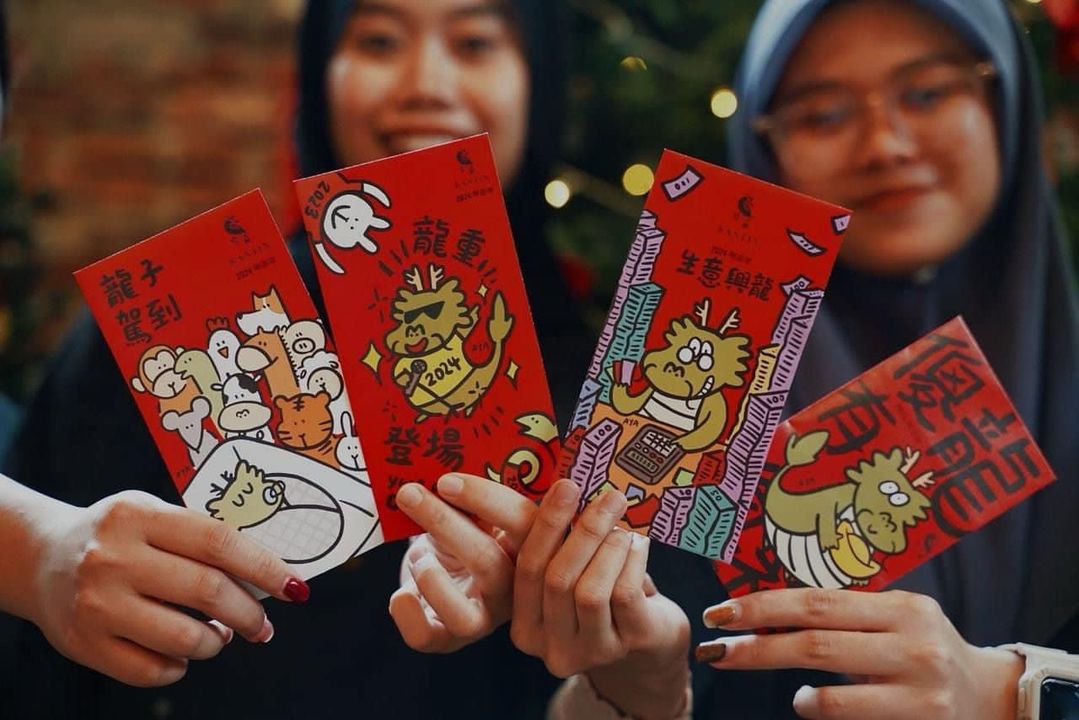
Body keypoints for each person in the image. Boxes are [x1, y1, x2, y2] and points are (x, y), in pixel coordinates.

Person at [390, 0, 1079, 718]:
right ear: (763, 143)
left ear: (1005, 104)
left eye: (929, 92)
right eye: (821, 113)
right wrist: (637, 685)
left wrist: (1023, 693)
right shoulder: (646, 439)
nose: (885, 143)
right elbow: (641, 662)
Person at [3, 0, 587, 717]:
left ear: (539, 82)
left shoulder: (604, 384)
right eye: (379, 41)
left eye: (473, 43)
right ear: (317, 74)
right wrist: (44, 556)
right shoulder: (178, 334)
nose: (425, 85)